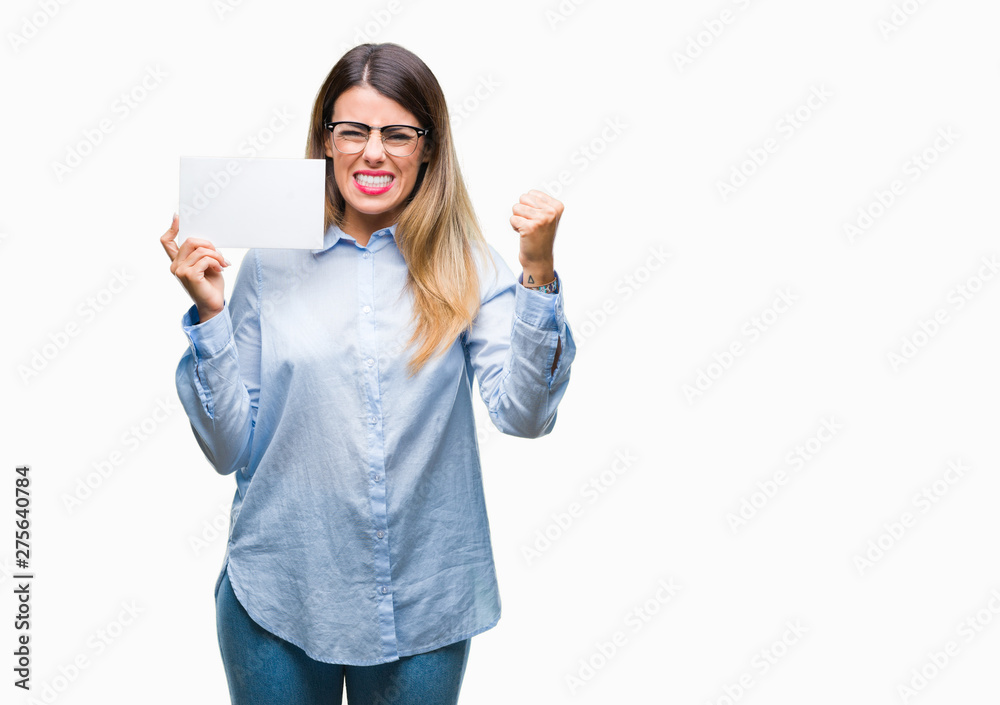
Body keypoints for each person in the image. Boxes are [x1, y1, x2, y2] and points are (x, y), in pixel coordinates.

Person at [160, 42, 576, 705]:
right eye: (352, 131)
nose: (372, 153)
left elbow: (524, 415)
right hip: (279, 595)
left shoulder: (471, 264)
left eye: (396, 133)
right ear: (326, 142)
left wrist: (539, 270)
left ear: (429, 147)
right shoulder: (272, 260)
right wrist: (209, 314)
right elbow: (225, 448)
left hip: (425, 601)